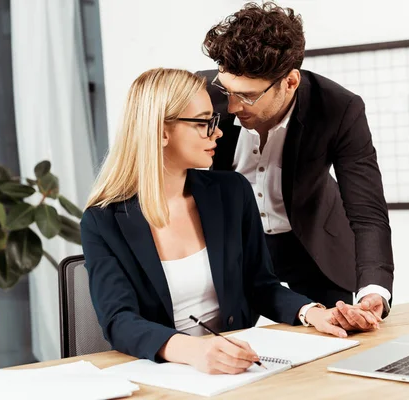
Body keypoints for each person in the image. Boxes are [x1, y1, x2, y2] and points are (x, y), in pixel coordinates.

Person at [81, 68, 375, 375]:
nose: (218, 132)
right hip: (164, 372)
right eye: (204, 123)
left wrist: (312, 312)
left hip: (239, 368)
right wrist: (193, 350)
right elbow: (119, 320)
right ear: (161, 132)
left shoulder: (231, 192)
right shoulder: (102, 221)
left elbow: (260, 285)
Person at [199, 2, 395, 324]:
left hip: (313, 246)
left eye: (247, 96)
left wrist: (374, 289)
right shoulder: (202, 94)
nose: (232, 107)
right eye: (227, 89)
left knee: (341, 335)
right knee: (235, 341)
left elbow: (367, 210)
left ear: (290, 82)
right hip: (235, 243)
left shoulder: (339, 108)